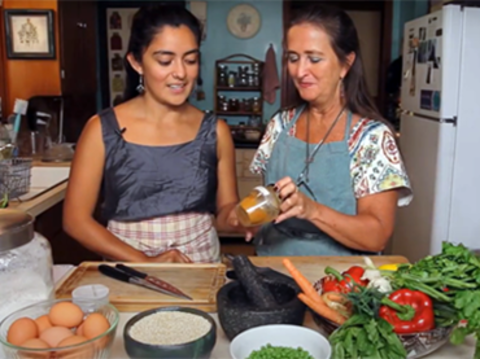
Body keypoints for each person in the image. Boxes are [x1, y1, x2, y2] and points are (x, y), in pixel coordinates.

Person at [63, 4, 239, 263]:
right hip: (129, 270)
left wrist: (241, 217)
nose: (180, 72)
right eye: (165, 61)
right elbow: (75, 220)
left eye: (190, 60)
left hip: (201, 268)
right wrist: (144, 261)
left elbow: (225, 213)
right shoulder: (101, 130)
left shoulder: (215, 131)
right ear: (136, 62)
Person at [246, 5, 413, 256]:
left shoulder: (372, 138)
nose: (300, 71)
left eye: (314, 59)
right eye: (293, 58)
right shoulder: (279, 125)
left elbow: (376, 236)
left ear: (346, 64)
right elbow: (267, 202)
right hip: (272, 265)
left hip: (341, 278)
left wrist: (311, 210)